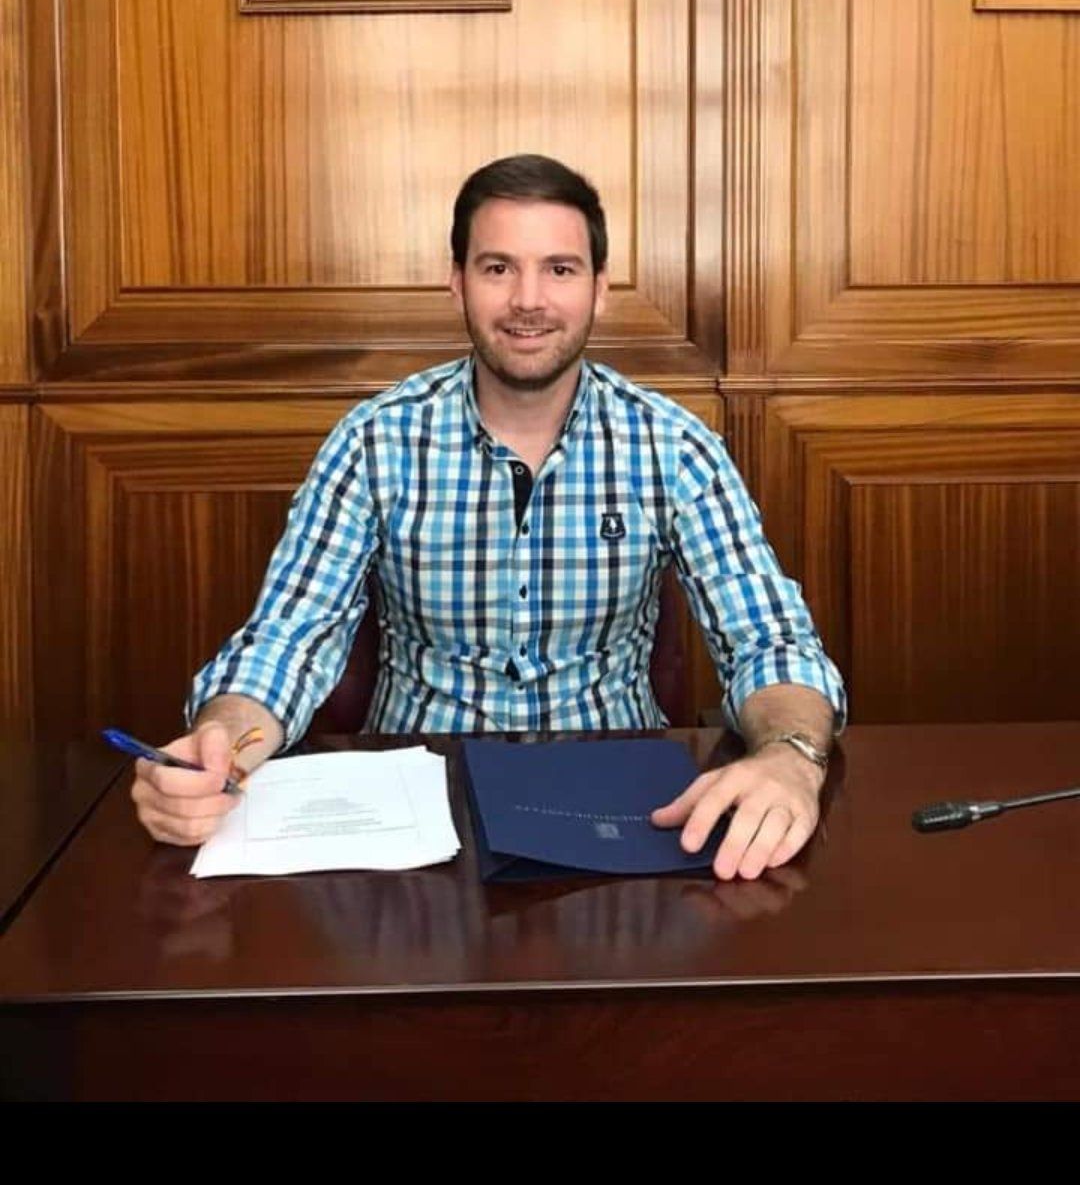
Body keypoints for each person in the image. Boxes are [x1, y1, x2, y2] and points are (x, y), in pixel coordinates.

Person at [131, 155, 847, 881]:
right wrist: (219, 743)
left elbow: (768, 639)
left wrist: (792, 758)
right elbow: (290, 639)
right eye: (498, 268)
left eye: (560, 269)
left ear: (600, 289)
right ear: (458, 282)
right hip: (415, 810)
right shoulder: (376, 440)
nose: (527, 300)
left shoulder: (674, 445)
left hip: (620, 802)